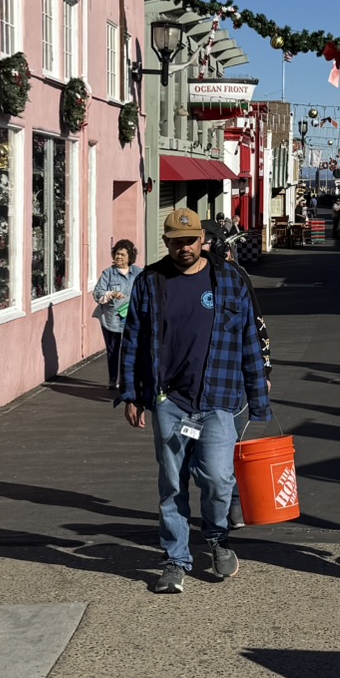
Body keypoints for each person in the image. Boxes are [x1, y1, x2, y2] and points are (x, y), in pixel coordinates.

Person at [118, 207, 271, 594]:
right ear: (165, 242)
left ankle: (217, 538)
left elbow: (249, 341)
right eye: (175, 241)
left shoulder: (229, 278)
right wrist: (132, 394)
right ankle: (175, 558)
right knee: (172, 483)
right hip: (171, 399)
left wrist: (258, 398)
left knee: (219, 479)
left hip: (220, 397)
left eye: (190, 240)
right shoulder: (150, 281)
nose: (184, 248)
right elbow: (132, 341)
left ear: (202, 239)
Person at [92, 240, 138, 396]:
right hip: (111, 319)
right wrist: (111, 294)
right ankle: (113, 379)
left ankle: (128, 380)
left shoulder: (138, 273)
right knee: (113, 350)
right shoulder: (108, 274)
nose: (119, 257)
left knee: (131, 350)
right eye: (117, 254)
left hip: (131, 319)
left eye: (122, 254)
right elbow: (97, 294)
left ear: (130, 257)